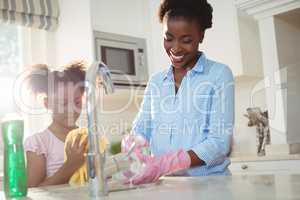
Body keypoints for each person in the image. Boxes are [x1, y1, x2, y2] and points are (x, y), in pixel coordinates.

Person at [125, 0, 235, 184]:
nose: (175, 48)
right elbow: (142, 128)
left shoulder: (218, 75)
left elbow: (219, 142)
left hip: (209, 186)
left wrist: (169, 163)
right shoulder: (156, 81)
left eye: (186, 40)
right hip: (165, 185)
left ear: (201, 35)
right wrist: (133, 143)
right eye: (168, 38)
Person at [24, 61, 88, 187]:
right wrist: (70, 165)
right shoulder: (39, 143)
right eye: (63, 103)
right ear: (47, 104)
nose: (71, 110)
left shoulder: (89, 138)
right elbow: (32, 192)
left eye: (77, 102)